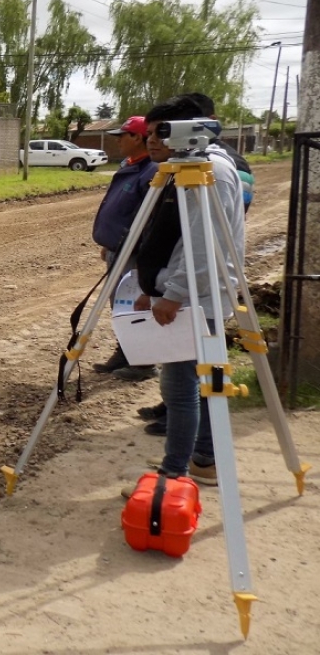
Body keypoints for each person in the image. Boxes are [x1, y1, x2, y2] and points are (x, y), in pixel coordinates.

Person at [125, 96, 246, 494]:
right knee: (200, 386)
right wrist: (154, 288)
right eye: (149, 132)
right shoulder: (192, 169)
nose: (152, 140)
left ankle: (173, 476)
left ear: (189, 129)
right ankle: (202, 460)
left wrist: (173, 294)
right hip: (192, 294)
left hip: (196, 299)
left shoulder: (210, 172)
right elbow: (180, 241)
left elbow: (205, 245)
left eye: (161, 132)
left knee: (180, 390)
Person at [91, 116, 159, 382]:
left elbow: (149, 220)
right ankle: (125, 352)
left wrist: (143, 256)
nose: (118, 141)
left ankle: (143, 363)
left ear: (138, 137)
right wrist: (109, 244)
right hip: (119, 250)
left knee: (133, 306)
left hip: (134, 254)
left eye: (123, 135)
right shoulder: (131, 166)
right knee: (120, 306)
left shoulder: (151, 171)